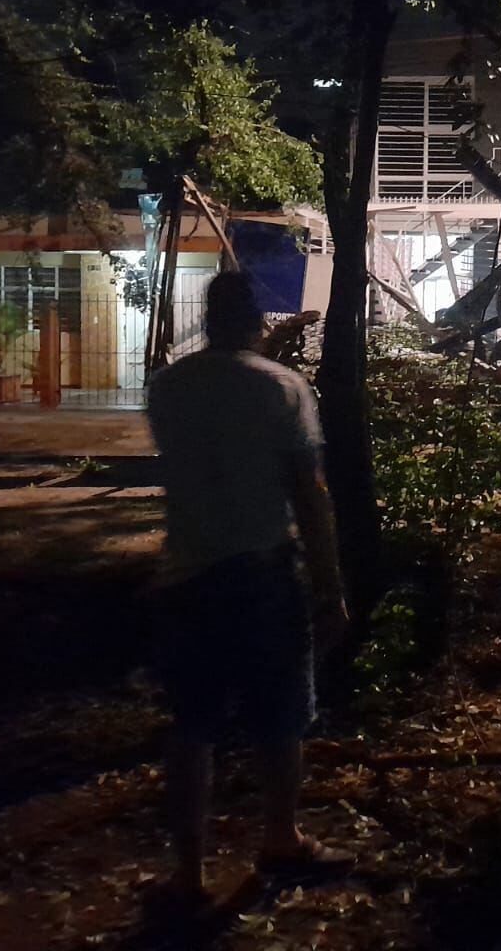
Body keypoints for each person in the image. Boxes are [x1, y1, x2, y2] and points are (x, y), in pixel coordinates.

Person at [145, 271, 350, 903]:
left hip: (185, 574)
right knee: (280, 716)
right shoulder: (283, 389)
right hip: (262, 572)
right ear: (259, 323)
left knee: (192, 725)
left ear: (207, 321)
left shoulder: (167, 388)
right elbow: (309, 495)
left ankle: (188, 872)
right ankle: (280, 837)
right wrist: (330, 584)